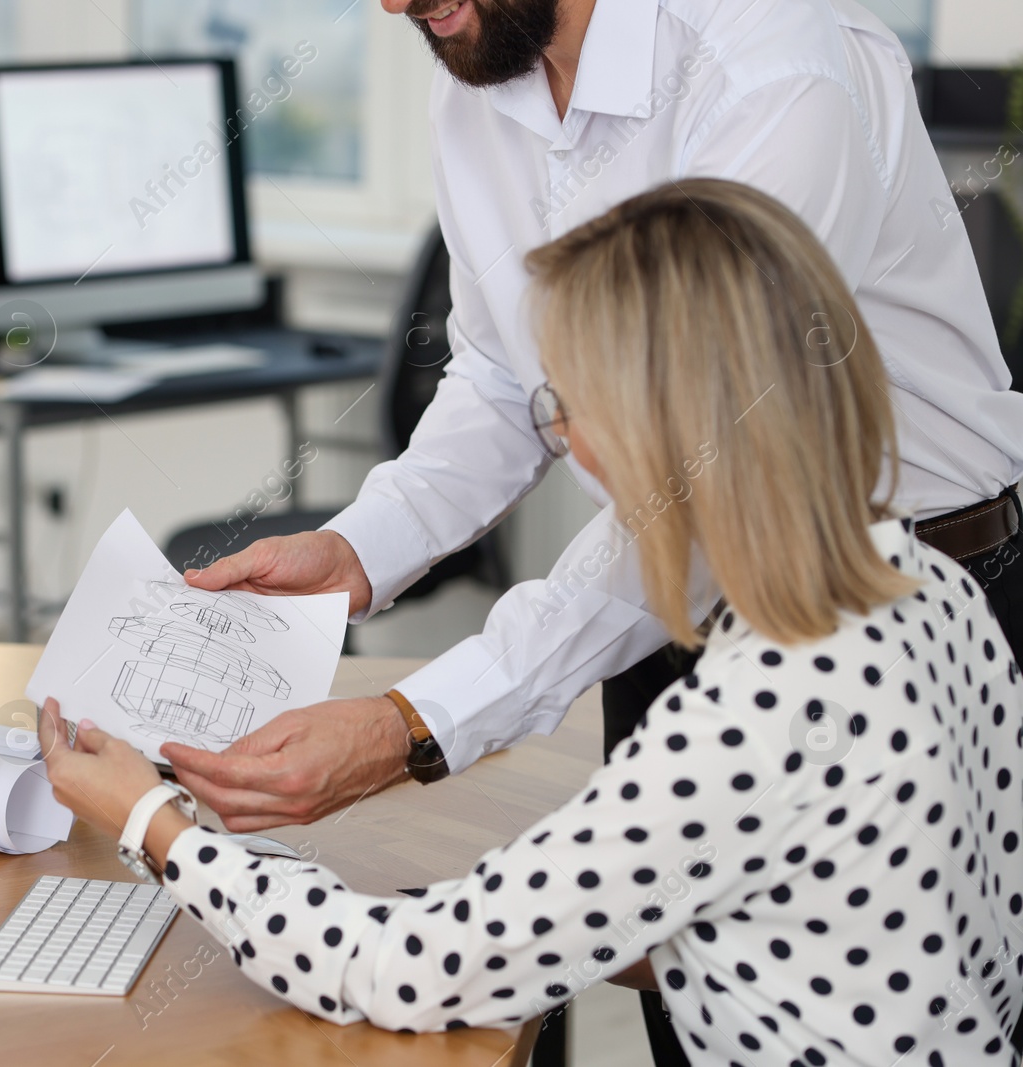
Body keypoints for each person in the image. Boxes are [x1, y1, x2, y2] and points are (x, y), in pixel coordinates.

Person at [165, 2, 1023, 1057]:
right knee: (722, 1002)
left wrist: (409, 726)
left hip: (876, 589)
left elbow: (697, 470)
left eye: (575, 404)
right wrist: (363, 547)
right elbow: (498, 371)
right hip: (723, 609)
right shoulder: (477, 70)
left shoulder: (773, 72)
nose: (393, 4)